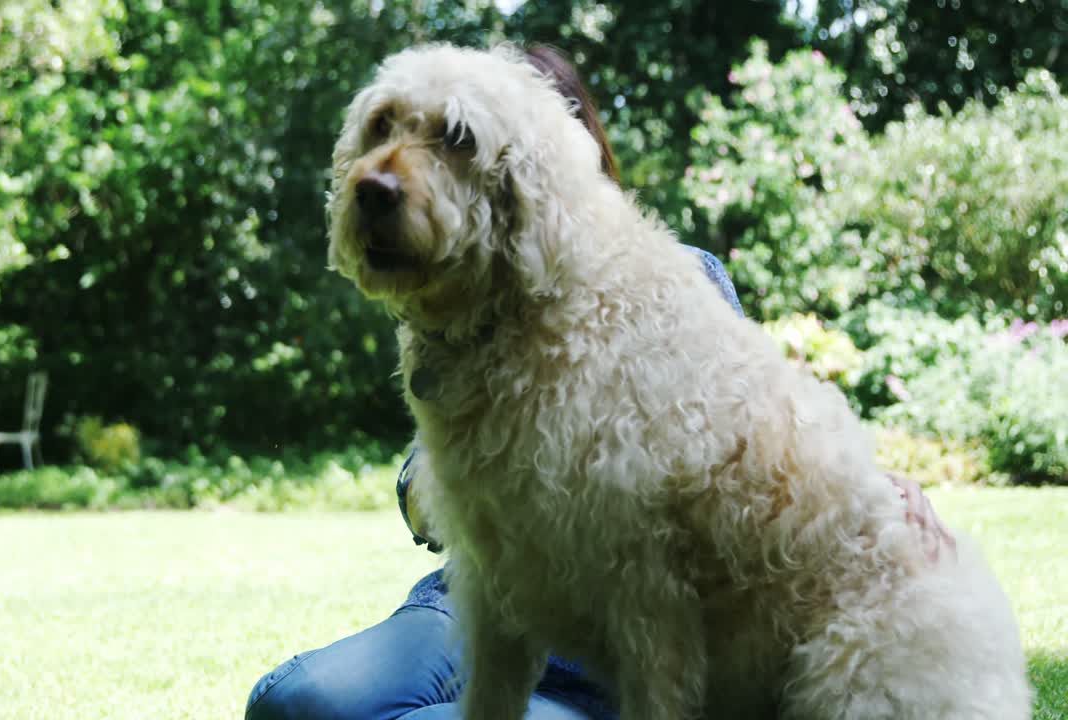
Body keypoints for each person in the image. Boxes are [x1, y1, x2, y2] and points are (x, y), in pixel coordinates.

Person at [244, 45, 951, 720]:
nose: (393, 168)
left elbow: (752, 452)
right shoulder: (435, 315)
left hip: (607, 651)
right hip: (468, 601)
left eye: (459, 141)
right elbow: (421, 496)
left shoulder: (678, 282)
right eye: (387, 130)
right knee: (293, 703)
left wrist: (885, 495)